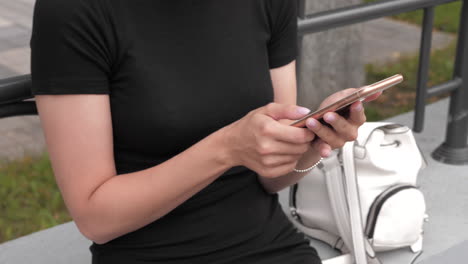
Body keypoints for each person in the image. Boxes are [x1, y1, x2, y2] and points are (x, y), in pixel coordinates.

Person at [30, 0, 378, 263]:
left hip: (269, 245)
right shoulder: (72, 10)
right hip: (150, 254)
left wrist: (313, 139)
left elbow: (269, 176)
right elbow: (95, 219)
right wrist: (226, 148)